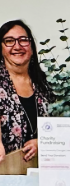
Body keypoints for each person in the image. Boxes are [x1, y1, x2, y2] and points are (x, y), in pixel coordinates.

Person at [0, 19, 51, 165]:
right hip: (5, 171)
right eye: (9, 41)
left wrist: (40, 142)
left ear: (32, 47)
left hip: (41, 170)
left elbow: (57, 126)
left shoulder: (43, 84)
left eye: (23, 40)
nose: (17, 46)